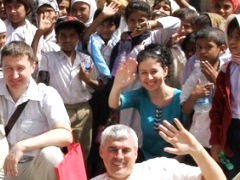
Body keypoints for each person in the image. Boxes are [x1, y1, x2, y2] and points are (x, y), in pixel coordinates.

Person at [0, 41, 72, 180]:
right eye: (9, 68)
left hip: (35, 166)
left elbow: (65, 135)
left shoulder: (46, 94)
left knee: (52, 154)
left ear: (33, 67)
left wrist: (22, 146)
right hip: (5, 166)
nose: (14, 75)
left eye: (20, 68)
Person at [38, 16, 101, 162]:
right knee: (58, 151)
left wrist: (87, 80)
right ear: (57, 38)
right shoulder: (48, 58)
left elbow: (99, 86)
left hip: (84, 111)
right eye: (63, 36)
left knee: (82, 150)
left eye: (72, 35)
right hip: (59, 110)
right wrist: (39, 33)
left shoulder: (86, 59)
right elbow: (38, 72)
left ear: (78, 37)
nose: (67, 40)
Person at [109, 44, 186, 160]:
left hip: (176, 161)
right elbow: (114, 104)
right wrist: (117, 85)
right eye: (144, 73)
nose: (149, 78)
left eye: (154, 71)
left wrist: (173, 167)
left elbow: (189, 136)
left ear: (165, 71)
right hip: (146, 159)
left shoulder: (181, 98)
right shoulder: (140, 96)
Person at [91, 118, 226, 180]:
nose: (119, 156)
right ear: (101, 152)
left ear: (136, 154)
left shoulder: (160, 168)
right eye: (113, 150)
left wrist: (197, 150)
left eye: (126, 150)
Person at [180, 27, 227, 165]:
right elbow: (185, 109)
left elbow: (232, 102)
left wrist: (217, 80)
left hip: (219, 140)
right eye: (199, 47)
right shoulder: (195, 73)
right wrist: (194, 95)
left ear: (222, 49)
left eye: (208, 47)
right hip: (198, 137)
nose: (202, 51)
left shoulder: (227, 71)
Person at [209, 14, 240, 179]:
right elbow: (217, 110)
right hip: (232, 131)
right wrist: (216, 141)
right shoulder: (227, 70)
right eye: (231, 36)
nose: (233, 41)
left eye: (238, 36)